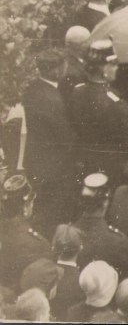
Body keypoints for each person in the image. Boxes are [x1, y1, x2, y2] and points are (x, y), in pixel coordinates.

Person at [68, 40, 128, 181]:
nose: (116, 68)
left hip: (86, 160)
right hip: (112, 165)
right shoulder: (114, 102)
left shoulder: (77, 91)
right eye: (113, 64)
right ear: (103, 69)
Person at [22, 48, 75, 233]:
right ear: (56, 70)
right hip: (53, 164)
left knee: (43, 204)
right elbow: (64, 136)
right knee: (52, 210)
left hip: (37, 158)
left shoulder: (33, 88)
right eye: (64, 65)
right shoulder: (52, 99)